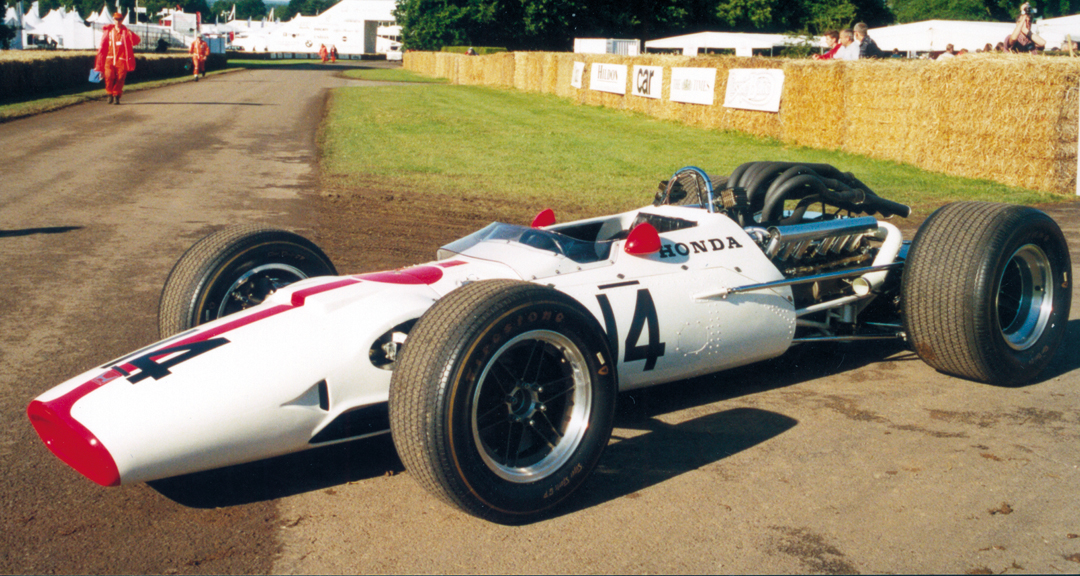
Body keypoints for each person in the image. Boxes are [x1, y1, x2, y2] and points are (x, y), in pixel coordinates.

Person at [94, 12, 140, 105]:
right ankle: (109, 93)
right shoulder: (109, 31)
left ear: (122, 20)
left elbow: (136, 41)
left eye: (120, 19)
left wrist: (131, 34)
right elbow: (102, 46)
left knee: (121, 78)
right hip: (109, 58)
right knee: (108, 76)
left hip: (121, 59)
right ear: (113, 20)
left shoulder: (126, 32)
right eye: (116, 19)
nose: (118, 21)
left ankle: (116, 95)